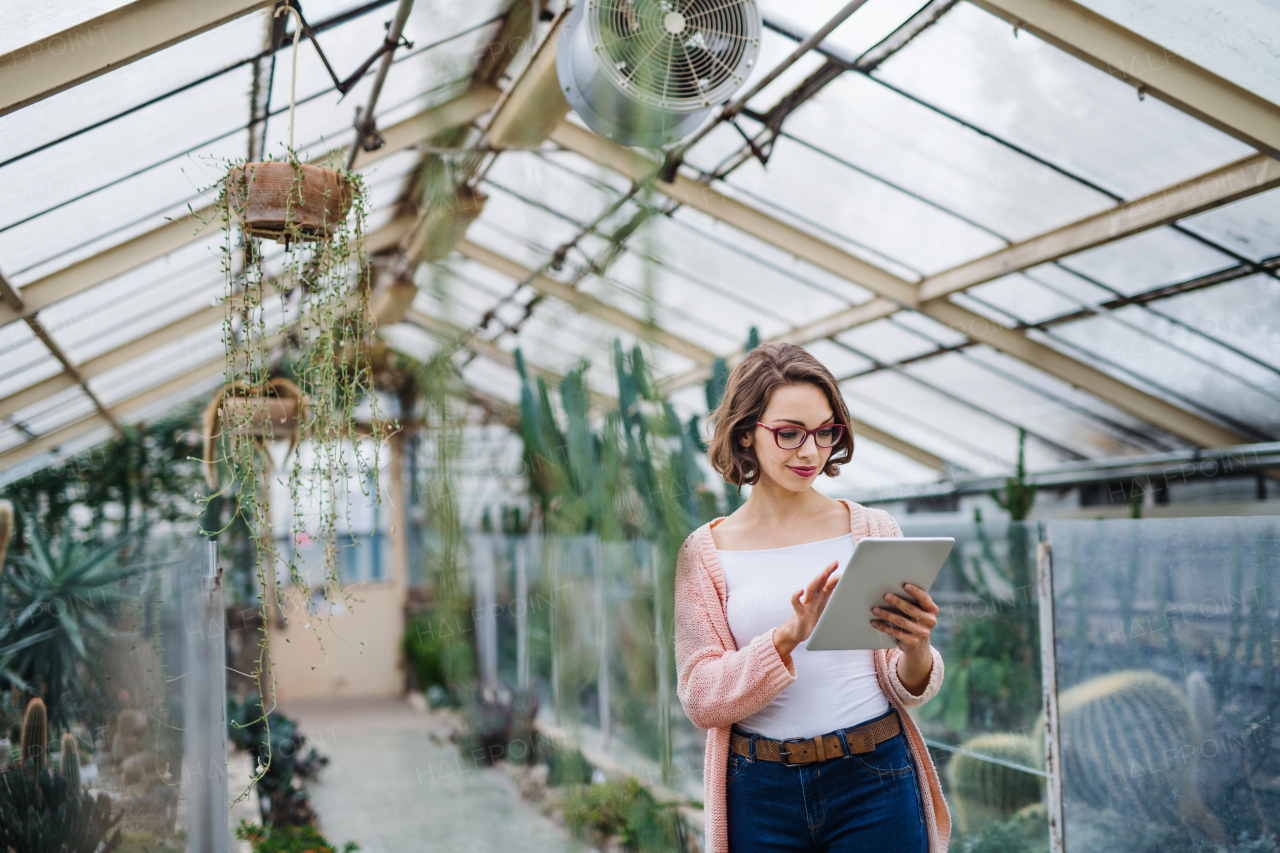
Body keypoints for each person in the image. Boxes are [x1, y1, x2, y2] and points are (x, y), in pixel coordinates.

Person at [673, 343, 950, 853]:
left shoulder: (872, 529)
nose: (809, 451)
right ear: (744, 434)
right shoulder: (705, 552)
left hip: (875, 778)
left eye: (826, 432)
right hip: (761, 792)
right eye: (789, 433)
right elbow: (700, 697)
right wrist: (785, 639)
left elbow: (904, 684)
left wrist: (915, 648)